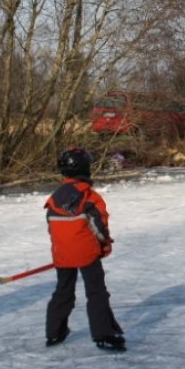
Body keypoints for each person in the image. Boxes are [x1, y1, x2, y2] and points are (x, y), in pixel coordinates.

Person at [45, 148, 125, 351]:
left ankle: (54, 333)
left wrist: (61, 250)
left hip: (62, 253)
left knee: (63, 291)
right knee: (96, 292)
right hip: (87, 253)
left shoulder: (54, 198)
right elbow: (99, 224)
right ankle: (103, 334)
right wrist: (104, 244)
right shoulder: (90, 196)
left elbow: (52, 227)